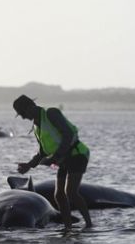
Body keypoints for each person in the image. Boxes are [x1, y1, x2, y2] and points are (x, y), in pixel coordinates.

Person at [13, 94, 92, 230]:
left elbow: (68, 134)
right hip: (63, 159)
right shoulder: (37, 127)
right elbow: (42, 152)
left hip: (77, 154)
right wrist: (29, 165)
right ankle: (68, 228)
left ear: (30, 107)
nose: (23, 117)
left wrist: (56, 157)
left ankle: (89, 224)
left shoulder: (51, 113)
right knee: (59, 194)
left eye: (22, 113)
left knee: (71, 192)